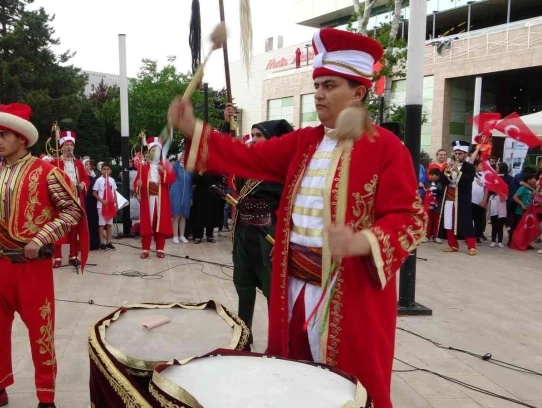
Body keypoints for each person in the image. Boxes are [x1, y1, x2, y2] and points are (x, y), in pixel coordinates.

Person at [168, 28, 425, 408]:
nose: (318, 93)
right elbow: (247, 157)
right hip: (292, 285)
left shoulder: (387, 149)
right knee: (292, 380)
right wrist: (193, 128)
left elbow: (411, 217)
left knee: (348, 386)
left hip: (348, 290)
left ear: (359, 92)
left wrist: (361, 241)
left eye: (329, 85)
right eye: (317, 84)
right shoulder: (303, 141)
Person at [0, 103, 87, 408]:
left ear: (21, 138)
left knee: (40, 332)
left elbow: (73, 210)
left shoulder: (47, 173)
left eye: (4, 134)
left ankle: (46, 398)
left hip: (31, 267)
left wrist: (41, 237)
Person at [231, 118, 290, 340]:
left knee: (272, 291)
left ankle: (279, 340)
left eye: (259, 136)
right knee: (243, 285)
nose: (254, 140)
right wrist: (232, 126)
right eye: (252, 135)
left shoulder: (283, 168)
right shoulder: (250, 166)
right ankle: (244, 335)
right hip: (244, 233)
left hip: (268, 235)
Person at [134, 137, 176, 259]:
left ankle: (160, 248)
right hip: (148, 199)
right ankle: (145, 249)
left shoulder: (165, 165)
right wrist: (139, 185)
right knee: (147, 223)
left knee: (160, 223)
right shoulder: (143, 167)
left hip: (161, 199)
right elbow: (137, 183)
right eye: (152, 151)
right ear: (149, 152)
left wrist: (163, 172)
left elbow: (171, 179)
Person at [54, 131, 90, 267]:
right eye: (66, 144)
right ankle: (57, 257)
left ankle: (73, 255)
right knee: (59, 227)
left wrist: (82, 184)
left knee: (75, 227)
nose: (69, 147)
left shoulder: (78, 164)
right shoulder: (55, 162)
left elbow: (86, 178)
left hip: (76, 197)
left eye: (71, 145)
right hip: (61, 199)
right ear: (62, 146)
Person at [439, 141, 480, 255]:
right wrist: (446, 173)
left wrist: (458, 171)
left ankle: (472, 247)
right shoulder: (449, 165)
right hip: (449, 196)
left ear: (465, 154)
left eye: (460, 154)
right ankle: (452, 245)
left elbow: (468, 181)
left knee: (466, 221)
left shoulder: (469, 167)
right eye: (456, 153)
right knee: (448, 221)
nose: (457, 156)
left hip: (462, 198)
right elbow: (442, 181)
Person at [93, 163, 118, 251]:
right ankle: (102, 243)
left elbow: (114, 192)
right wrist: (102, 200)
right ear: (101, 170)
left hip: (110, 205)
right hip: (101, 205)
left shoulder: (112, 180)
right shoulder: (99, 180)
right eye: (104, 169)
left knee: (109, 224)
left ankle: (109, 242)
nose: (106, 171)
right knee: (101, 225)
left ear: (110, 171)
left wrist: (115, 204)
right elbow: (94, 193)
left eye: (108, 169)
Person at [170, 152, 192, 244]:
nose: (183, 158)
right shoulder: (176, 167)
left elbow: (190, 184)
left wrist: (191, 197)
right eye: (182, 156)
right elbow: (172, 170)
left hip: (186, 194)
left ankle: (182, 235)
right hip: (176, 193)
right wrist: (177, 161)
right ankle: (175, 236)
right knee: (176, 215)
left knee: (183, 215)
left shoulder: (188, 169)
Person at [489, 162, 512, 248]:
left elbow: (509, 190)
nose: (496, 169)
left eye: (497, 167)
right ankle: (493, 240)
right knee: (494, 221)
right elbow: (490, 188)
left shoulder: (509, 178)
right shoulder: (493, 177)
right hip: (494, 200)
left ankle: (500, 241)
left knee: (501, 222)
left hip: (503, 201)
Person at [83, 160, 101, 250]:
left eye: (89, 164)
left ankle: (94, 243)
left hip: (93, 201)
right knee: (86, 222)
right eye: (86, 164)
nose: (88, 166)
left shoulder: (94, 176)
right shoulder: (81, 176)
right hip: (84, 200)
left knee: (93, 221)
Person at [424, 168, 443, 243]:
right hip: (428, 205)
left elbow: (441, 192)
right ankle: (427, 236)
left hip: (437, 205)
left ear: (437, 176)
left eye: (433, 175)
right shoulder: (427, 183)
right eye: (430, 175)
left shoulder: (440, 184)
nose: (431, 176)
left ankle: (436, 236)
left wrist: (435, 191)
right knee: (428, 220)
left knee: (436, 221)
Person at [471, 159, 487, 243]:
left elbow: (487, 188)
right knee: (471, 219)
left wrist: (484, 200)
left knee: (479, 220)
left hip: (480, 201)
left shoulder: (485, 175)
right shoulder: (471, 174)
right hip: (471, 200)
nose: (482, 167)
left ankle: (477, 235)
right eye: (481, 165)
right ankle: (470, 236)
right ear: (475, 166)